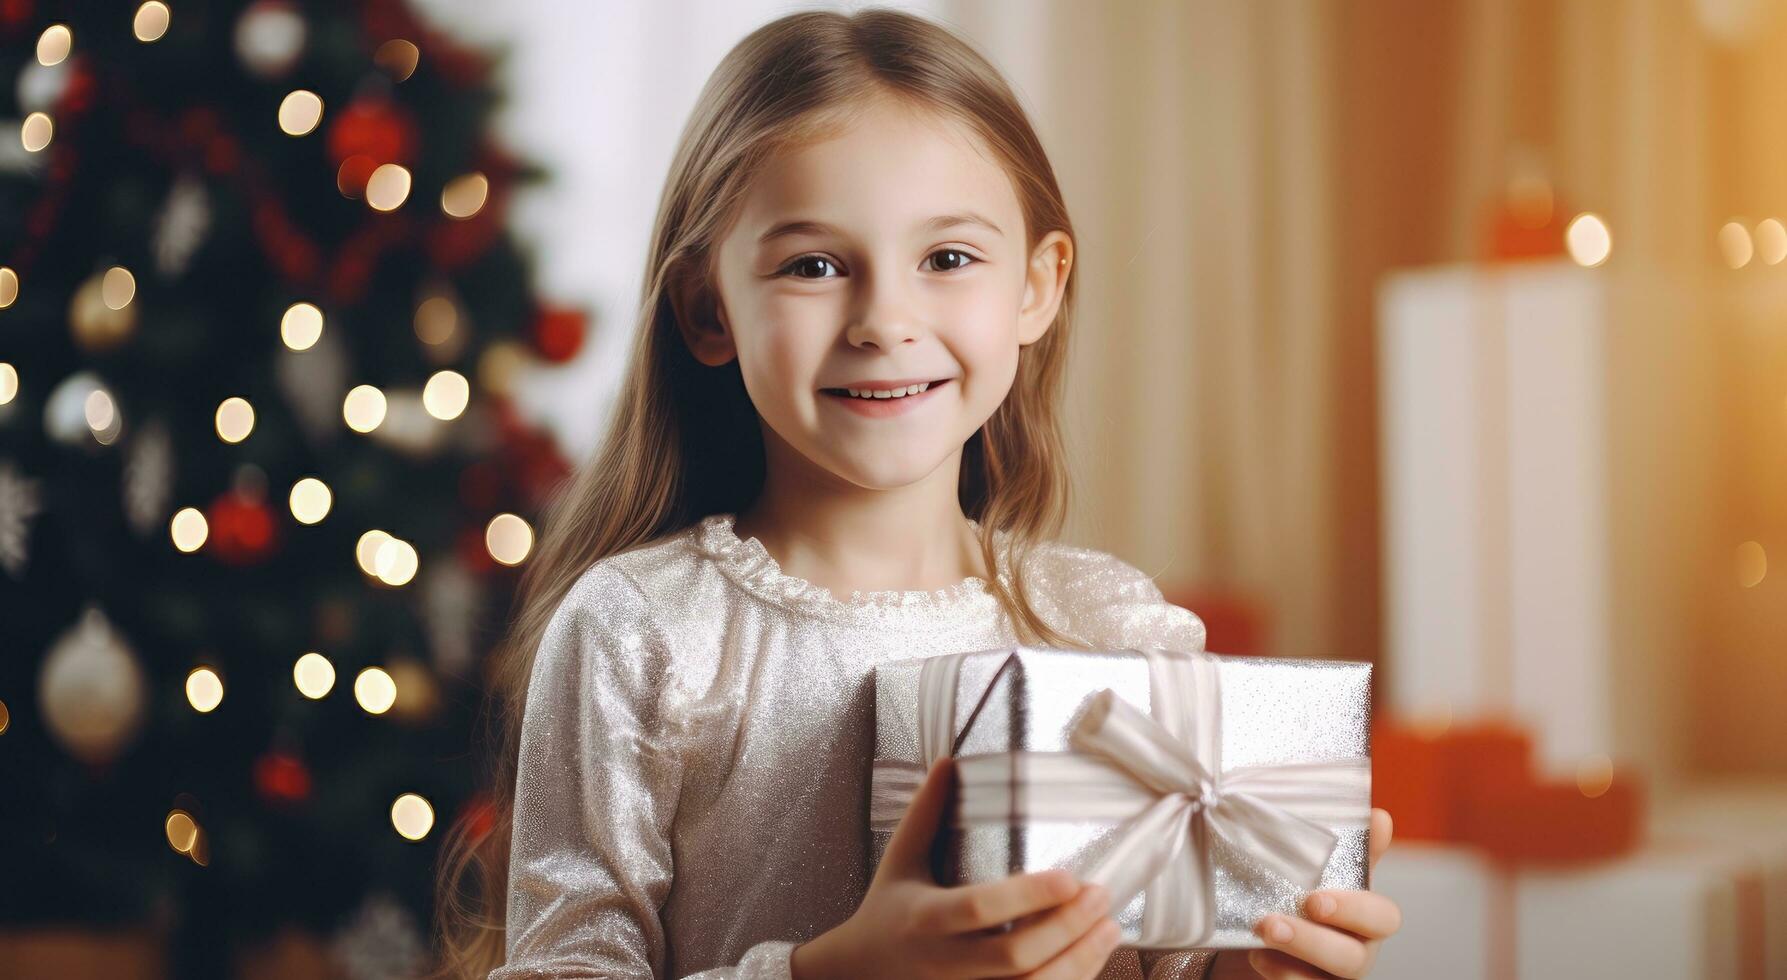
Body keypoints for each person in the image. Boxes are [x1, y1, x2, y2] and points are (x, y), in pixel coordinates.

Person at [434, 8, 1402, 980]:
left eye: (946, 259)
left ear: (1035, 286)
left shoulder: (1108, 623)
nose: (884, 321)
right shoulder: (641, 632)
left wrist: (1261, 959)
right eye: (812, 264)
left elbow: (1163, 955)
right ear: (705, 308)